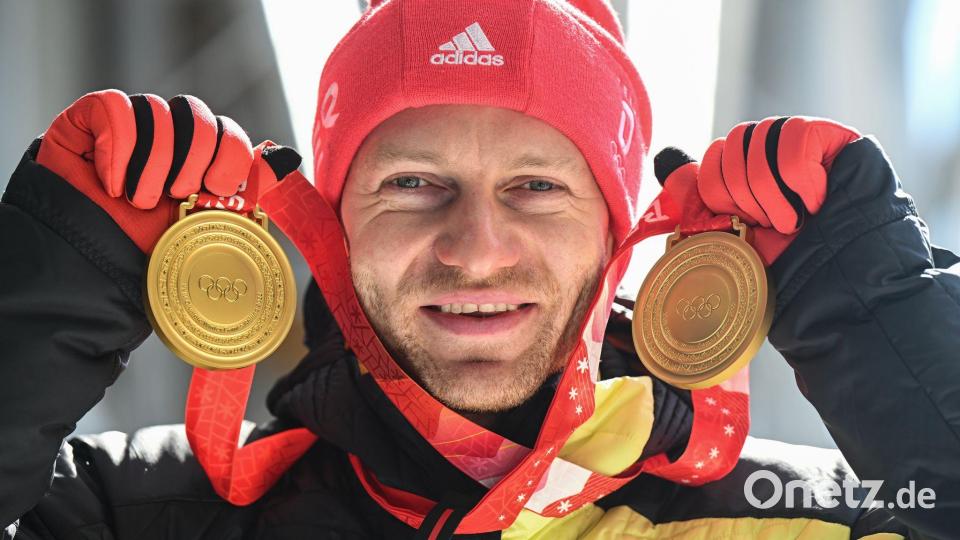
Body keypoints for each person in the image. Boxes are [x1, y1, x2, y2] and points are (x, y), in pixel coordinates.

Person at [1, 0, 958, 538]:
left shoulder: (809, 515)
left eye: (537, 187)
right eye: (414, 183)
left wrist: (872, 299)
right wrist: (56, 276)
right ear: (330, 226)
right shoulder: (132, 514)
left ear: (620, 233)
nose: (476, 248)